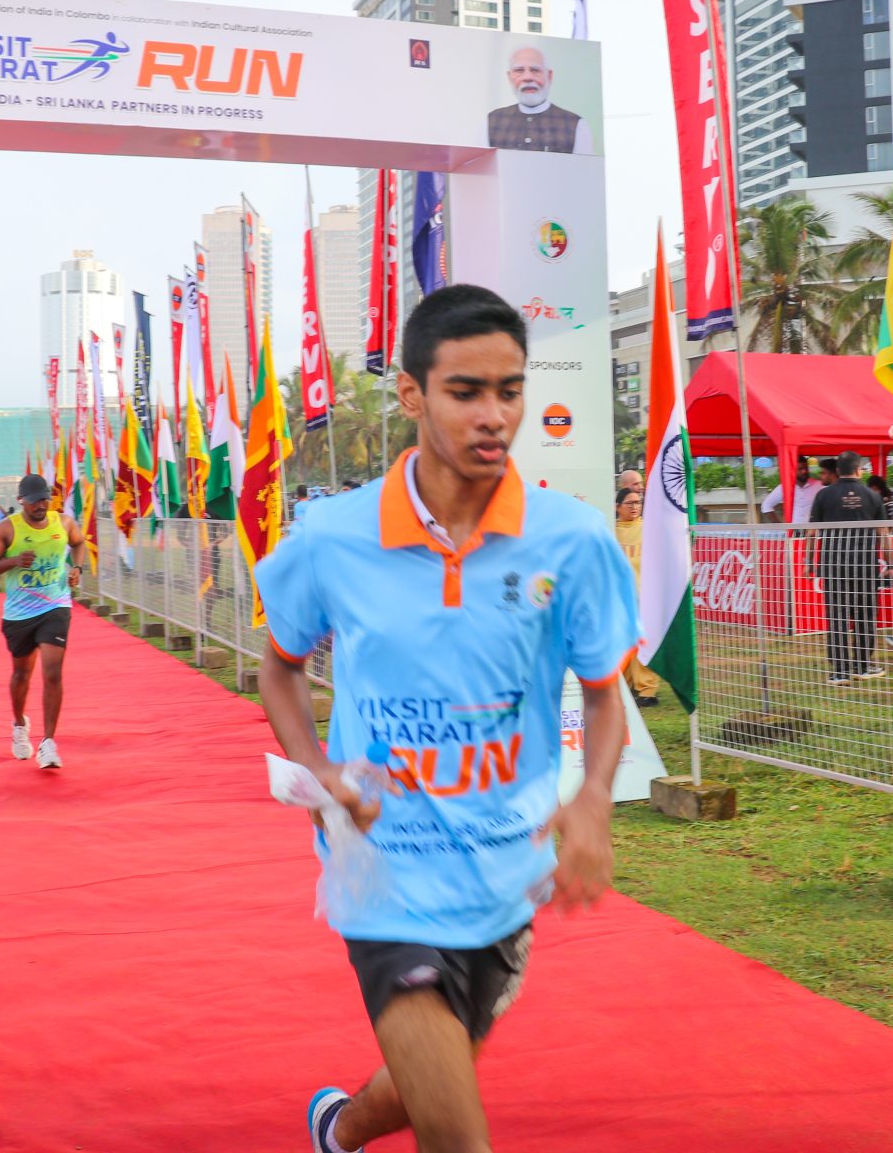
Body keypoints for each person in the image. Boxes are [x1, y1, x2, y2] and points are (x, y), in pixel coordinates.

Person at [252, 284, 639, 1153]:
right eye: (466, 392)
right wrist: (319, 766)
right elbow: (279, 668)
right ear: (412, 394)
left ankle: (339, 1131)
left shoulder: (572, 541)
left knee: (433, 1079)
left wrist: (595, 798)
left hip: (507, 870)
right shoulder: (331, 538)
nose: (494, 415)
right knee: (460, 1137)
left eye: (510, 390)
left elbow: (605, 689)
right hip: (383, 867)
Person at [0, 473, 86, 769]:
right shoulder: (7, 529)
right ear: (21, 501)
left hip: (56, 605)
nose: (41, 505)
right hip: (19, 613)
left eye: (45, 498)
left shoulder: (63, 522)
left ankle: (49, 742)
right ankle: (18, 724)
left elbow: (79, 543)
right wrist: (14, 561)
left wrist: (76, 567)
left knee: (52, 671)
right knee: (21, 675)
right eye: (34, 500)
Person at [810, 452, 888, 685]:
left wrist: (807, 562)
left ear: (838, 470)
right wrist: (891, 565)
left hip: (833, 565)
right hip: (864, 565)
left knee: (837, 617)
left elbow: (811, 532)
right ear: (858, 470)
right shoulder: (872, 496)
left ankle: (840, 671)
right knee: (865, 616)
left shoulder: (823, 495)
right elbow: (884, 534)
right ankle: (863, 666)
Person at [485, 46, 592, 154]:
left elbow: (586, 169)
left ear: (549, 76)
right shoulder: (490, 121)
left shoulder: (576, 124)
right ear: (509, 77)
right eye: (519, 70)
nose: (527, 77)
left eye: (535, 70)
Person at [612, 487, 661, 706]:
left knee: (644, 643)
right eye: (629, 503)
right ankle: (627, 686)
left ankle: (647, 691)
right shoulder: (610, 531)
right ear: (617, 506)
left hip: (645, 596)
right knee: (623, 645)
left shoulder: (649, 530)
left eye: (638, 502)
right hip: (618, 599)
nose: (634, 507)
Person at [760, 455, 823, 524]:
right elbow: (766, 505)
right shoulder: (785, 487)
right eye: (800, 469)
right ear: (792, 470)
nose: (804, 471)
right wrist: (779, 526)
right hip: (794, 531)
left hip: (814, 531)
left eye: (806, 468)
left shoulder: (819, 485)